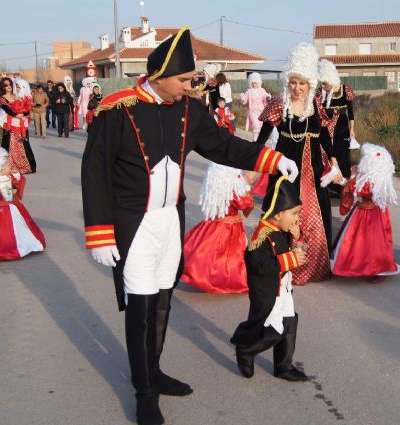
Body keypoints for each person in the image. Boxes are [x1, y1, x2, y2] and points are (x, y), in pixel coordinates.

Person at [81, 26, 298, 425]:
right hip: (134, 224)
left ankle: (155, 370)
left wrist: (270, 159)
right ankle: (144, 393)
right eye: (183, 80)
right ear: (160, 74)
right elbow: (94, 172)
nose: (188, 87)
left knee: (163, 300)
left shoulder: (189, 109)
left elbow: (224, 146)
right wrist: (99, 232)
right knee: (141, 306)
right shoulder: (117, 109)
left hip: (169, 220)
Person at [257, 42, 342, 285]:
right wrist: (252, 167)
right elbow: (262, 139)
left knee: (315, 215)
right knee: (284, 214)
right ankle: (283, 266)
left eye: (302, 83)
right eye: (293, 82)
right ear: (288, 80)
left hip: (312, 172)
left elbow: (325, 136)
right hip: (285, 171)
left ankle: (314, 267)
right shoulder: (278, 104)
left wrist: (334, 161)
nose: (297, 88)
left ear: (310, 84)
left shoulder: (315, 105)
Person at [231, 176, 308, 381]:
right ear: (277, 214)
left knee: (290, 321)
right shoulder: (261, 235)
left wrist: (297, 234)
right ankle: (246, 350)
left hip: (283, 286)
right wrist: (289, 260)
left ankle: (283, 366)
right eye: (293, 213)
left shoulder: (280, 229)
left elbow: (290, 246)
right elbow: (258, 266)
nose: (296, 218)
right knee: (275, 330)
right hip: (268, 290)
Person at [331, 143, 400, 277]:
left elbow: (358, 190)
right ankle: (374, 267)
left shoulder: (372, 182)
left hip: (363, 215)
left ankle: (362, 266)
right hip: (379, 216)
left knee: (359, 241)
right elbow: (356, 188)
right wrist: (345, 181)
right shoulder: (378, 180)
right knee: (376, 242)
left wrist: (351, 177)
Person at [181, 162, 253, 294]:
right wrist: (247, 184)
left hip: (214, 223)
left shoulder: (215, 185)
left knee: (207, 252)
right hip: (230, 228)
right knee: (229, 258)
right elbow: (245, 204)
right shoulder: (233, 188)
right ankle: (222, 282)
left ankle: (201, 276)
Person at [0, 148, 45, 263]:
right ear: (0, 169)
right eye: (8, 165)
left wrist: (18, 178)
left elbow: (16, 185)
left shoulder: (9, 177)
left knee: (21, 227)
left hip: (13, 207)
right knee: (3, 233)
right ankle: (4, 250)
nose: (10, 167)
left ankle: (26, 244)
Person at [317, 59, 356, 197]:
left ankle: (344, 188)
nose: (323, 85)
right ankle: (331, 186)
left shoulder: (345, 89)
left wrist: (352, 130)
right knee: (327, 154)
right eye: (322, 83)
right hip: (326, 126)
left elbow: (351, 112)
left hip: (341, 126)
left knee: (343, 155)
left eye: (325, 83)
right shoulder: (320, 93)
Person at [0, 77, 36, 174]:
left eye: (10, 84)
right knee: (10, 146)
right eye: (6, 85)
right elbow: (7, 109)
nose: (8, 86)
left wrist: (24, 114)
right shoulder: (2, 98)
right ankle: (10, 167)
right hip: (11, 126)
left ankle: (27, 167)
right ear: (3, 87)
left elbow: (27, 107)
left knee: (24, 144)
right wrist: (17, 115)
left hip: (22, 125)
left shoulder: (17, 95)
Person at [239, 72, 270, 141]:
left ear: (258, 82)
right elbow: (244, 101)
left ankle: (260, 141)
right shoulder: (249, 91)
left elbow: (266, 98)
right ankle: (255, 141)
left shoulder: (262, 90)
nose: (254, 84)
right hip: (252, 112)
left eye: (255, 83)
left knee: (261, 127)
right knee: (256, 126)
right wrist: (242, 98)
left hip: (261, 111)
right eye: (252, 83)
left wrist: (268, 97)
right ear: (250, 83)